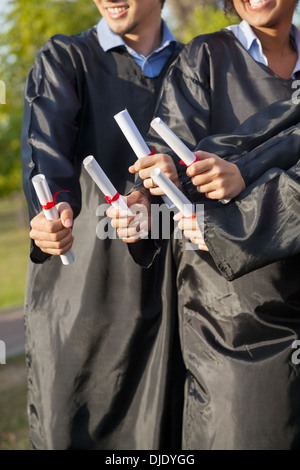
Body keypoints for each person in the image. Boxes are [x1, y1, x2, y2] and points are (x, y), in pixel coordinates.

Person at [108, 0, 300, 449]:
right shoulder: (205, 59)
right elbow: (165, 166)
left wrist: (242, 176)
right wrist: (143, 200)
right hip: (237, 320)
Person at [21, 0, 185, 450]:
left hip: (176, 291)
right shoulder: (65, 59)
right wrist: (51, 211)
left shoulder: (196, 65)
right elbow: (45, 156)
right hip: (81, 298)